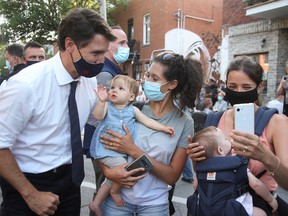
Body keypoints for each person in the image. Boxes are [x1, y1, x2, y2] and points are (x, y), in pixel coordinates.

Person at [0, 8, 118, 215]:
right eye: (95, 53)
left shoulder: (88, 79)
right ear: (70, 44)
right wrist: (31, 194)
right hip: (27, 184)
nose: (102, 61)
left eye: (104, 53)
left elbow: (95, 120)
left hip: (71, 182)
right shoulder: (26, 85)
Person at [92, 53, 203, 215]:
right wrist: (109, 172)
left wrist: (133, 150)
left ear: (172, 84)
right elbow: (103, 144)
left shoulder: (184, 122)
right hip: (117, 202)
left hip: (154, 205)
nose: (147, 81)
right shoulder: (131, 109)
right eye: (148, 75)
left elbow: (172, 175)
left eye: (155, 78)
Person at [187, 56, 288, 216]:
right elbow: (205, 170)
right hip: (217, 206)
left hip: (256, 205)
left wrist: (265, 156)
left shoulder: (276, 122)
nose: (239, 92)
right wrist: (195, 157)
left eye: (246, 87)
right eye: (232, 86)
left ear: (259, 87)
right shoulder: (213, 120)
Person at [89, 74, 174, 215]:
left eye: (121, 88)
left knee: (114, 176)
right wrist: (101, 101)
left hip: (119, 151)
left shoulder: (133, 110)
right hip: (106, 148)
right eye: (112, 88)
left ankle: (96, 203)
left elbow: (147, 121)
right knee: (124, 170)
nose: (114, 90)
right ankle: (114, 192)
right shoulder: (108, 107)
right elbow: (98, 116)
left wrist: (163, 128)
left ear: (131, 97)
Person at [82, 25, 130, 198]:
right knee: (106, 193)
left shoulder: (111, 71)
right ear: (109, 45)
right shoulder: (105, 74)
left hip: (106, 144)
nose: (126, 47)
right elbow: (107, 115)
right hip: (106, 145)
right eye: (122, 43)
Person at [191, 126, 278, 216]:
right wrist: (270, 199)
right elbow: (256, 184)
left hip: (207, 210)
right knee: (262, 214)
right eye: (225, 138)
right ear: (220, 150)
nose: (228, 139)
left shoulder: (201, 168)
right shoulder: (236, 164)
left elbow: (195, 185)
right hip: (233, 209)